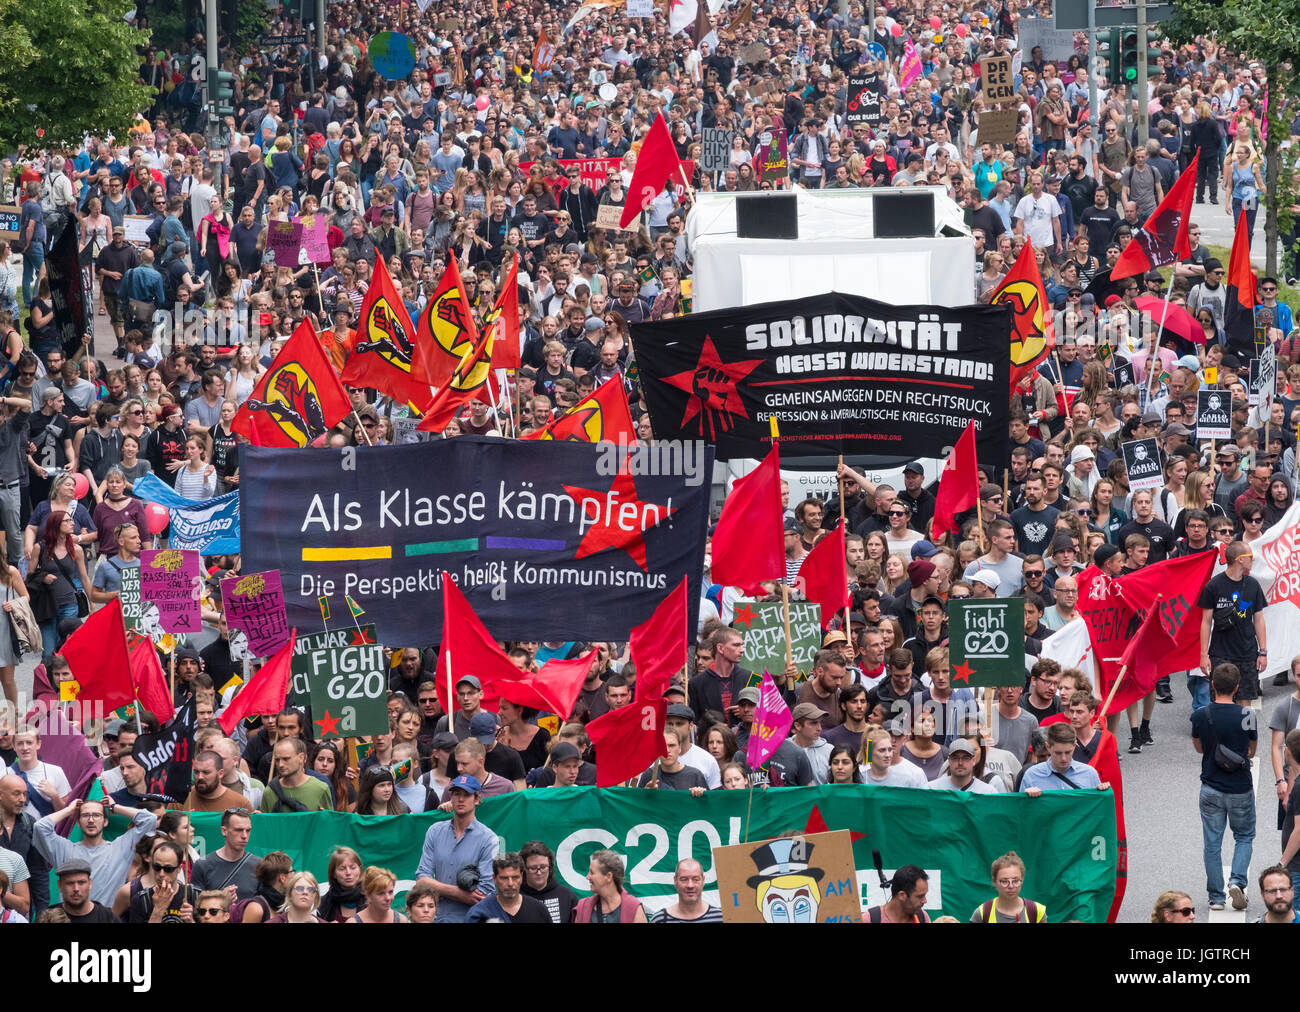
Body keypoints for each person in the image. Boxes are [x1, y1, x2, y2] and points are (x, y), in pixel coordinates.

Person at [1190, 663, 1258, 912]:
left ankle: (1216, 897)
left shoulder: (1200, 715)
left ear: (1212, 685)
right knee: (1244, 836)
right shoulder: (1247, 715)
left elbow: (1199, 747)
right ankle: (1238, 881)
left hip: (1211, 787)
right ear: (1237, 687)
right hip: (1240, 786)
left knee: (1212, 843)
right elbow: (1252, 749)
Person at [34, 797, 157, 906]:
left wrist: (115, 807)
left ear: (105, 821)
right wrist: (69, 810)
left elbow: (150, 819)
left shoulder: (121, 848)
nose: (91, 820)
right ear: (78, 823)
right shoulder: (64, 849)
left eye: (96, 815)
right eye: (85, 815)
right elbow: (40, 827)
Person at [414, 774, 499, 923]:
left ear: (477, 799)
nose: (460, 799)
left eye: (466, 795)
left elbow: (485, 894)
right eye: (456, 794)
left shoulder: (489, 839)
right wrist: (461, 894)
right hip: (437, 918)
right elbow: (421, 879)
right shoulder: (435, 831)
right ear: (450, 798)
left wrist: (436, 887)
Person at [190, 806, 260, 901]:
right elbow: (196, 908)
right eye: (238, 830)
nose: (244, 836)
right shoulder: (202, 865)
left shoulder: (259, 866)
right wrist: (221, 899)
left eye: (248, 830)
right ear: (224, 831)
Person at [1020, 723, 1107, 795]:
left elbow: (1097, 811)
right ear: (1048, 747)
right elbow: (1021, 811)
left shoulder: (1089, 774)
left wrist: (1103, 791)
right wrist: (1027, 798)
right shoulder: (1031, 775)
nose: (1063, 758)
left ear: (1074, 745)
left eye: (1068, 752)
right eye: (1058, 753)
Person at [467, 852, 551, 922]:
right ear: (494, 878)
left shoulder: (538, 910)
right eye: (504, 878)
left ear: (521, 877)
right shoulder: (479, 914)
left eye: (515, 877)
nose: (510, 883)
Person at [260, 737, 334, 812]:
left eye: (286, 759)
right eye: (277, 760)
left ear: (301, 758)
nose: (280, 764)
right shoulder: (269, 792)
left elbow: (329, 822)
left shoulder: (321, 789)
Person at [970, 851, 1046, 923]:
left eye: (1015, 881)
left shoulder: (1036, 911)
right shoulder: (982, 913)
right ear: (994, 882)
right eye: (1004, 881)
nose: (1011, 886)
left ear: (1022, 880)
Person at [574, 849, 647, 923]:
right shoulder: (583, 907)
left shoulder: (633, 908)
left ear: (609, 876)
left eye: (592, 873)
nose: (587, 877)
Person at [650, 858, 724, 923]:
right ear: (675, 881)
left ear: (703, 881)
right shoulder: (660, 919)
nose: (690, 885)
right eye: (684, 879)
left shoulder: (721, 918)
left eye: (695, 879)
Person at [53, 857, 118, 923]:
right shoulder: (48, 918)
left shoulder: (108, 918)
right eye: (70, 883)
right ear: (59, 885)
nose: (76, 889)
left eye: (81, 882)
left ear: (90, 883)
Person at [863, 865, 931, 923]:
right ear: (902, 895)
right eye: (920, 896)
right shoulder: (870, 919)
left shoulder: (922, 917)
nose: (925, 901)